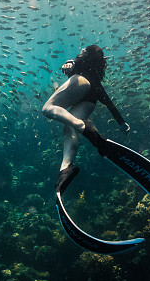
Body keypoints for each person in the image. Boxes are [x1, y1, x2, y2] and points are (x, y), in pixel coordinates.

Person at [42, 45, 129, 192]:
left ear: (87, 54)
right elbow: (108, 101)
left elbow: (75, 62)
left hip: (81, 81)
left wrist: (71, 63)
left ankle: (83, 126)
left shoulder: (81, 62)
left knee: (47, 108)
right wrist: (121, 122)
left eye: (83, 51)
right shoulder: (96, 78)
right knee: (69, 128)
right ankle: (66, 168)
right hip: (91, 99)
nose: (80, 51)